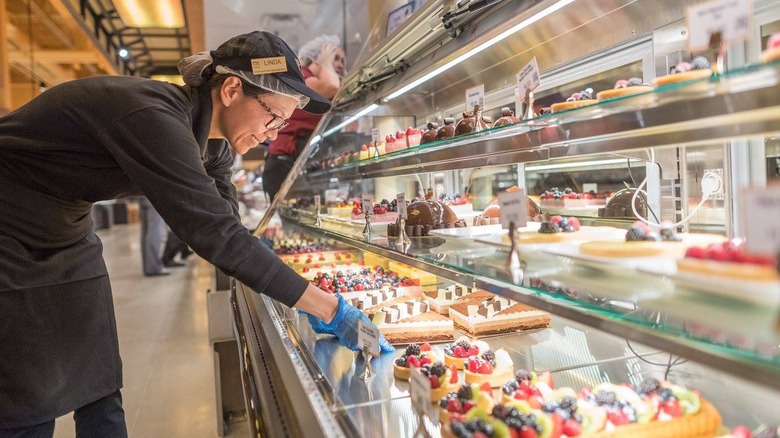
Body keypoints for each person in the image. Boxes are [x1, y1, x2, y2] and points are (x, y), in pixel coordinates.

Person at [0, 31, 392, 437]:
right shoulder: (153, 117)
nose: (274, 133)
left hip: (67, 223)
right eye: (272, 116)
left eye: (283, 123)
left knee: (98, 379)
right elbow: (212, 234)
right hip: (9, 223)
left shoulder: (215, 145)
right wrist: (327, 307)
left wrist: (292, 285)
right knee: (30, 393)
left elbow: (229, 226)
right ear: (231, 89)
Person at [263, 35, 346, 201]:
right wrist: (325, 61)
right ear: (316, 58)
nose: (339, 64)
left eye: (343, 60)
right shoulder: (302, 77)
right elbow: (331, 86)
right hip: (284, 164)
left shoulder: (324, 81)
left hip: (304, 163)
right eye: (335, 58)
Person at [138, 197, 171, 275]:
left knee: (145, 231)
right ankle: (153, 267)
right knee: (155, 230)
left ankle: (148, 267)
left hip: (141, 193)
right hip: (154, 193)